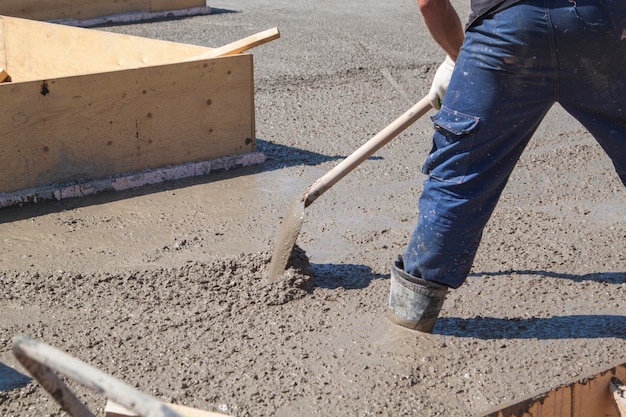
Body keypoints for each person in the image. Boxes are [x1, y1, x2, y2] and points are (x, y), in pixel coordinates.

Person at [388, 0, 626, 332]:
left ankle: (410, 319)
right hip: (598, 24)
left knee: (460, 179)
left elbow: (431, 4)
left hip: (507, 33)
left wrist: (458, 58)